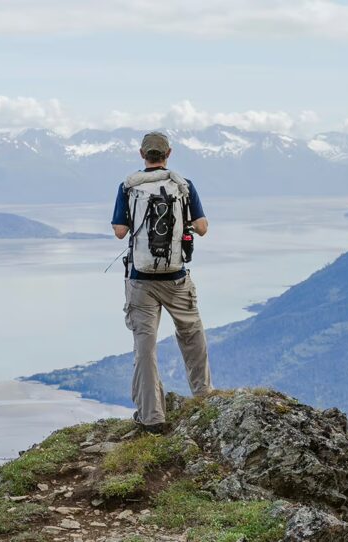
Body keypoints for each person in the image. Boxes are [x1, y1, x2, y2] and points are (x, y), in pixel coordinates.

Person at [111, 131, 212, 433]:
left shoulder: (128, 186)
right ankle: (205, 397)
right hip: (176, 278)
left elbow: (119, 231)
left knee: (145, 348)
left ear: (142, 154)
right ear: (169, 153)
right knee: (192, 335)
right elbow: (202, 228)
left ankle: (152, 417)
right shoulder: (183, 185)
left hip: (140, 281)